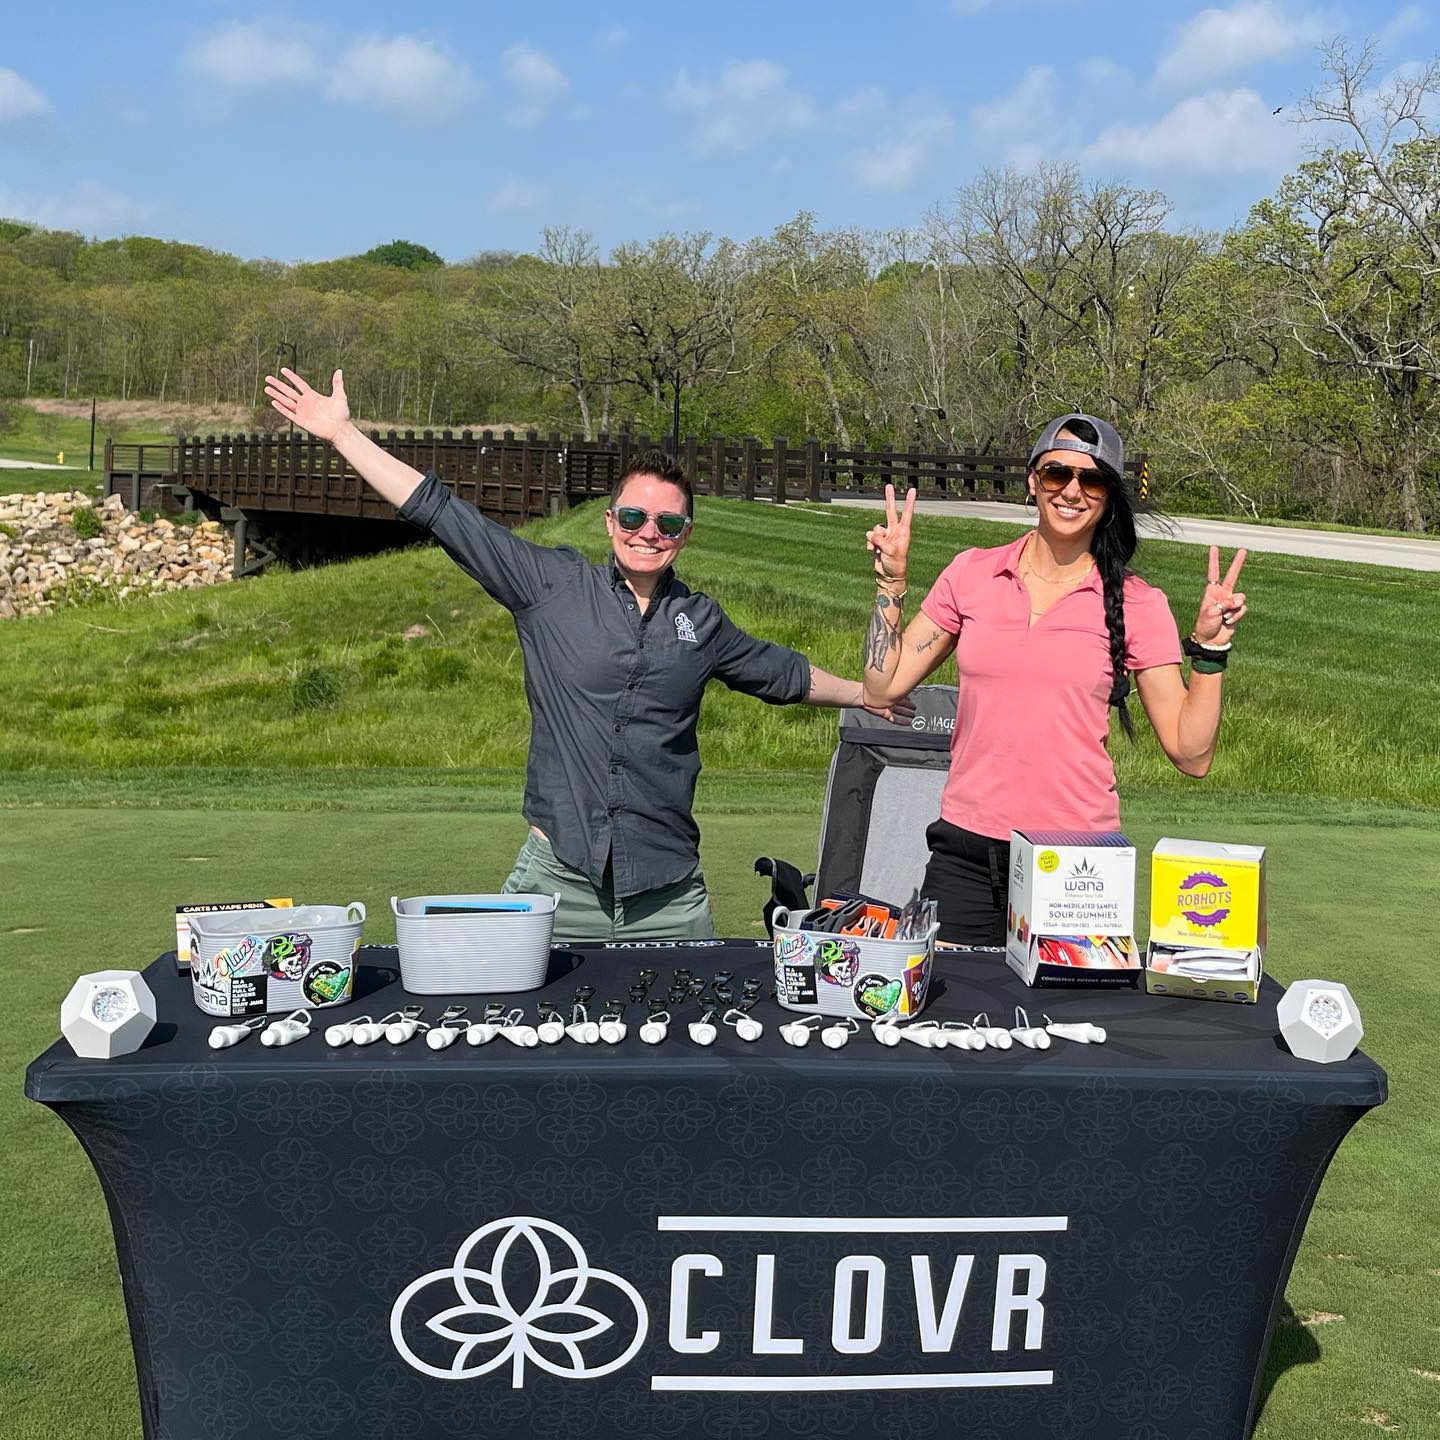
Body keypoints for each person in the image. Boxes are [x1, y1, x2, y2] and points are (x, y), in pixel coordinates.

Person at [263, 366, 911, 941]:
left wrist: (869, 689)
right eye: (633, 518)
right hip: (556, 885)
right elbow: (442, 512)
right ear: (609, 522)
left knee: (690, 1064)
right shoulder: (548, 585)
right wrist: (344, 436)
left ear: (685, 535)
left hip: (669, 896)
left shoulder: (702, 622)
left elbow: (789, 676)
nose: (648, 532)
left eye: (668, 523)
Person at [861, 412, 1249, 946]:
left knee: (1068, 1027)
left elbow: (1191, 753)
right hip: (966, 852)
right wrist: (891, 583)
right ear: (1032, 481)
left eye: (1091, 479)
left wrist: (1210, 650)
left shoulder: (1140, 603)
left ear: (1109, 496)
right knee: (946, 1020)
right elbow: (881, 689)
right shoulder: (972, 573)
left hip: (1077, 865)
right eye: (1056, 474)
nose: (1072, 490)